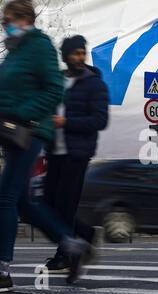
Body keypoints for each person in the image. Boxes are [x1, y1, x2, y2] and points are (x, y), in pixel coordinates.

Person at [0, 0, 92, 294]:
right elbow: (0, 105)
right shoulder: (14, 53)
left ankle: (2, 270)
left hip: (31, 131)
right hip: (12, 132)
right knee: (22, 202)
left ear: (24, 19)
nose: (3, 25)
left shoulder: (40, 47)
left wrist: (23, 115)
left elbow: (53, 90)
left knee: (6, 197)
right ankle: (73, 244)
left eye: (6, 20)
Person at [43, 35, 109, 273]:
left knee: (65, 206)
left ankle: (65, 255)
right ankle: (86, 234)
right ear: (66, 57)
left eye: (83, 53)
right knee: (48, 205)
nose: (80, 57)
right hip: (55, 152)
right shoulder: (58, 81)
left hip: (77, 154)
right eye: (75, 53)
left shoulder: (95, 84)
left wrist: (66, 122)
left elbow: (100, 120)